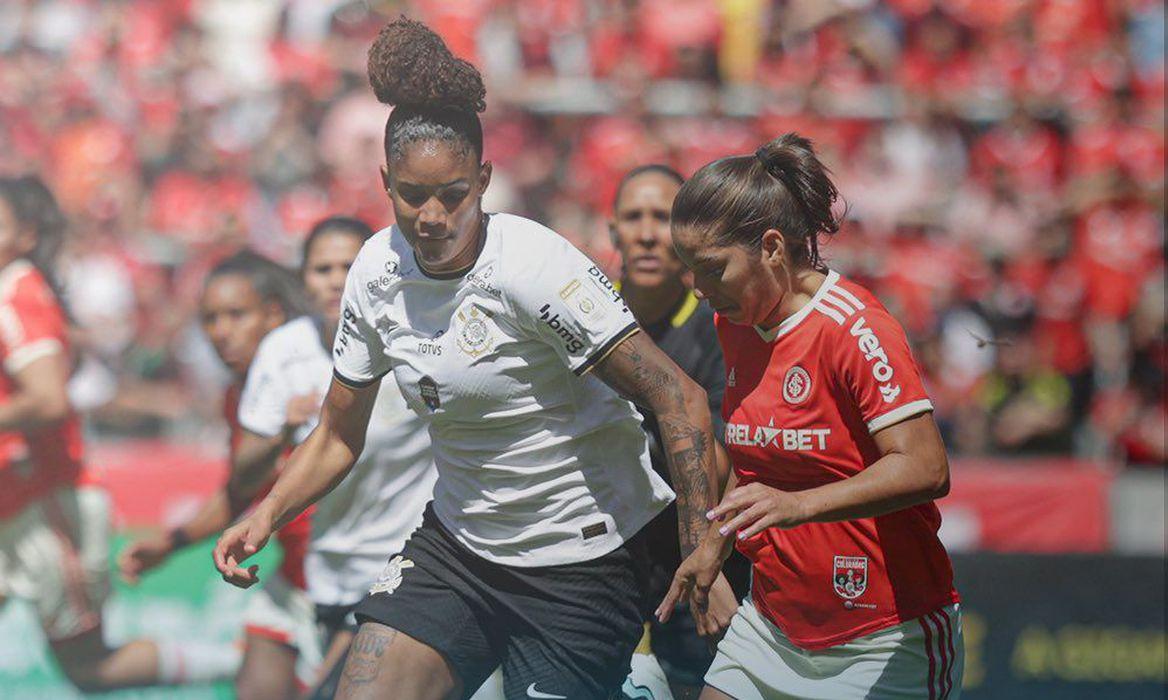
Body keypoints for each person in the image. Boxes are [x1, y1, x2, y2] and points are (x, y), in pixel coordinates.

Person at [214, 17, 727, 700]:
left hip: (586, 562)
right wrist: (266, 513)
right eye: (411, 194)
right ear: (384, 181)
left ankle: (636, 681)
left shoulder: (534, 266)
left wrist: (702, 548)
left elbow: (679, 397)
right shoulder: (373, 272)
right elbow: (339, 433)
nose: (431, 216)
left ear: (483, 180)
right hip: (460, 551)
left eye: (452, 195)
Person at [660, 133, 963, 699]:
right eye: (689, 269)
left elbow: (925, 468)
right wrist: (713, 543)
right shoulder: (737, 323)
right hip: (772, 627)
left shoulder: (856, 329)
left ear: (772, 247)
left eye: (711, 268)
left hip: (883, 638)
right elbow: (754, 464)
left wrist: (798, 506)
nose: (699, 289)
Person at [0, 175, 240, 692]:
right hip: (16, 502)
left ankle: (244, 665)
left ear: (25, 235)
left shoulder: (15, 289)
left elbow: (47, 398)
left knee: (89, 666)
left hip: (43, 506)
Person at [232, 216, 437, 700]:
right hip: (317, 570)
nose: (335, 279)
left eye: (349, 265)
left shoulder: (417, 342)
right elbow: (243, 474)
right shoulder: (284, 351)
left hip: (402, 568)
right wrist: (282, 426)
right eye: (321, 267)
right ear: (302, 278)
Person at [119, 250, 320, 700]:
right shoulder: (237, 397)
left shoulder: (323, 381)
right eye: (210, 319)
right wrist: (170, 544)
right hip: (297, 577)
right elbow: (239, 493)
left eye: (236, 315)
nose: (220, 332)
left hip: (358, 575)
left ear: (273, 315)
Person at [609, 165, 751, 700]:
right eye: (633, 216)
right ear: (612, 231)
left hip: (702, 578)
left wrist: (664, 394)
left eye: (662, 218)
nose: (647, 233)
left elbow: (722, 470)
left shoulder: (723, 329)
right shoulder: (583, 319)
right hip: (606, 574)